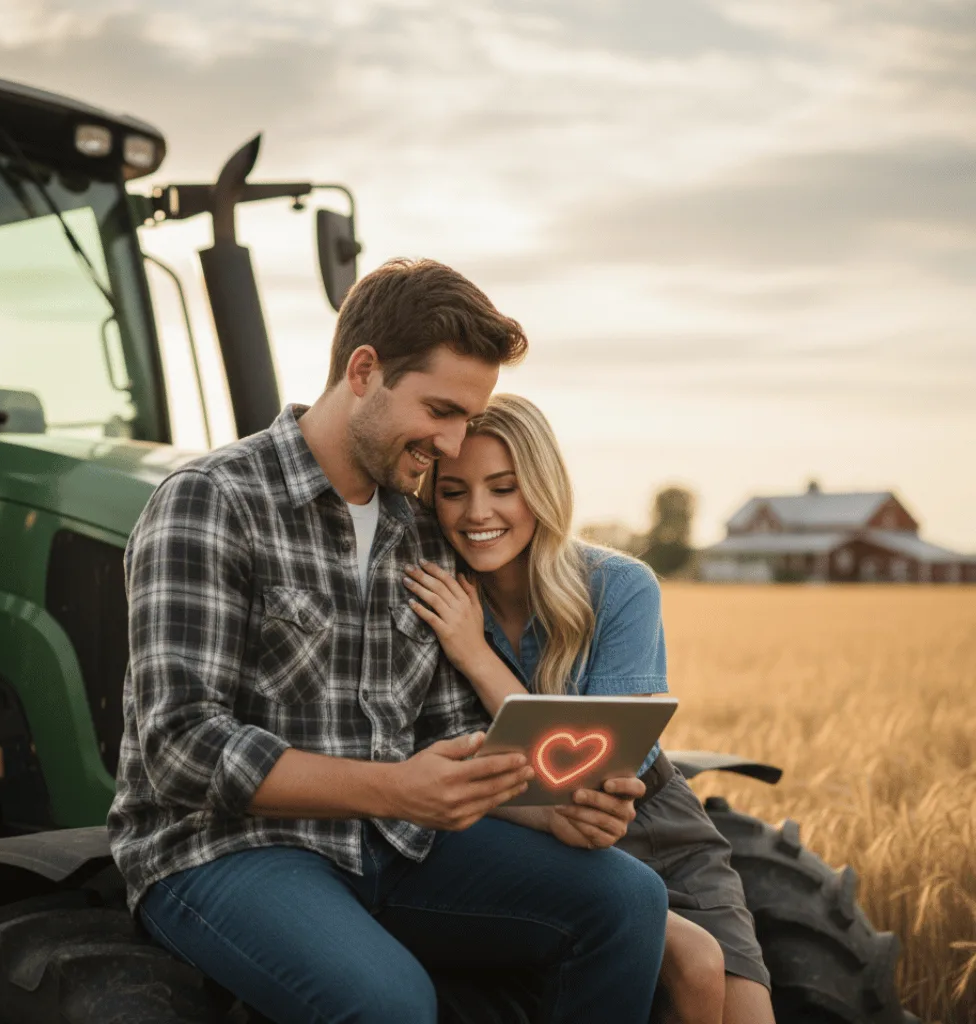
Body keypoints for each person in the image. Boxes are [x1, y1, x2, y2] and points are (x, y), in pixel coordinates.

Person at [107, 259, 669, 1024]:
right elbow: (180, 744)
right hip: (227, 850)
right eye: (440, 409)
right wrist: (394, 789)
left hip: (395, 844)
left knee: (627, 899)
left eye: (468, 416)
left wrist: (549, 813)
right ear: (364, 371)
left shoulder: (417, 529)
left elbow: (448, 731)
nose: (452, 441)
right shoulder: (211, 500)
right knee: (390, 1003)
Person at [411, 393, 777, 1024]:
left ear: (543, 489)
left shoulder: (619, 585)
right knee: (692, 965)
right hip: (518, 820)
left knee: (742, 1006)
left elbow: (593, 761)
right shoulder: (432, 592)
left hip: (647, 816)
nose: (478, 513)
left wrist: (475, 655)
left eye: (504, 488)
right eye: (453, 492)